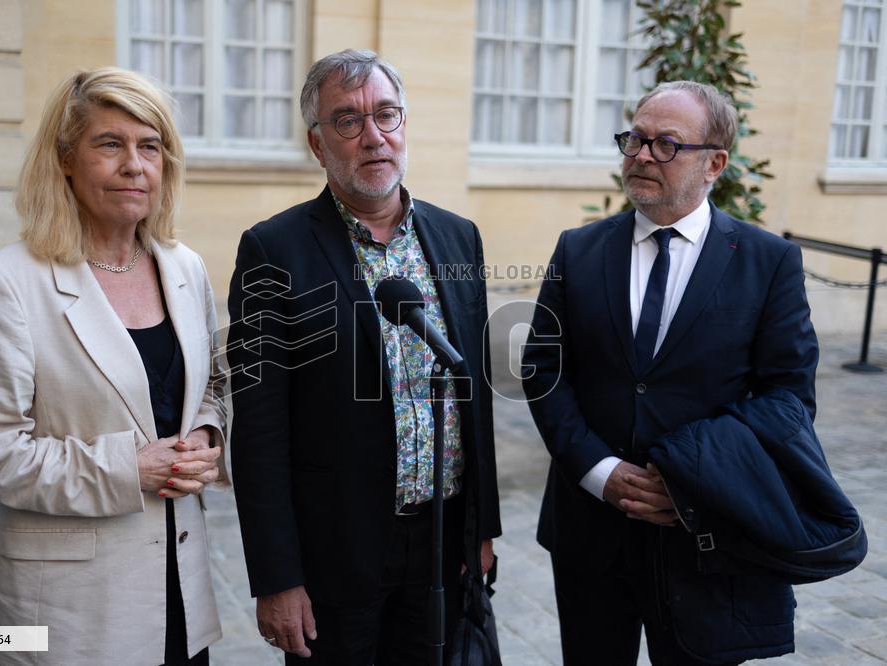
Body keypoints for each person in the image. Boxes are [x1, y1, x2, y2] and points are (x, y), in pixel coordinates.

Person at [521, 80, 819, 665]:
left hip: (706, 535)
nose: (640, 156)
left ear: (715, 163)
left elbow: (787, 399)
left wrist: (686, 479)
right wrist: (597, 470)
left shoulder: (768, 262)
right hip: (591, 531)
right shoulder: (578, 249)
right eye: (633, 139)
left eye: (664, 145)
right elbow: (542, 368)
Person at [226, 49, 501, 665]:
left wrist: (481, 528)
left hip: (442, 541)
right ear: (318, 145)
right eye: (348, 121)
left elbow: (472, 393)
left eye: (386, 115)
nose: (373, 136)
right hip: (337, 554)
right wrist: (277, 578)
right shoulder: (274, 250)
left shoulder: (459, 237)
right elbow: (261, 429)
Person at [0, 67, 226, 665]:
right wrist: (127, 469)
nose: (135, 165)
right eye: (110, 144)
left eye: (150, 146)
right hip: (68, 611)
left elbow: (209, 387)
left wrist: (207, 434)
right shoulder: (11, 281)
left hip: (177, 590)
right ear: (65, 160)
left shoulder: (185, 267)